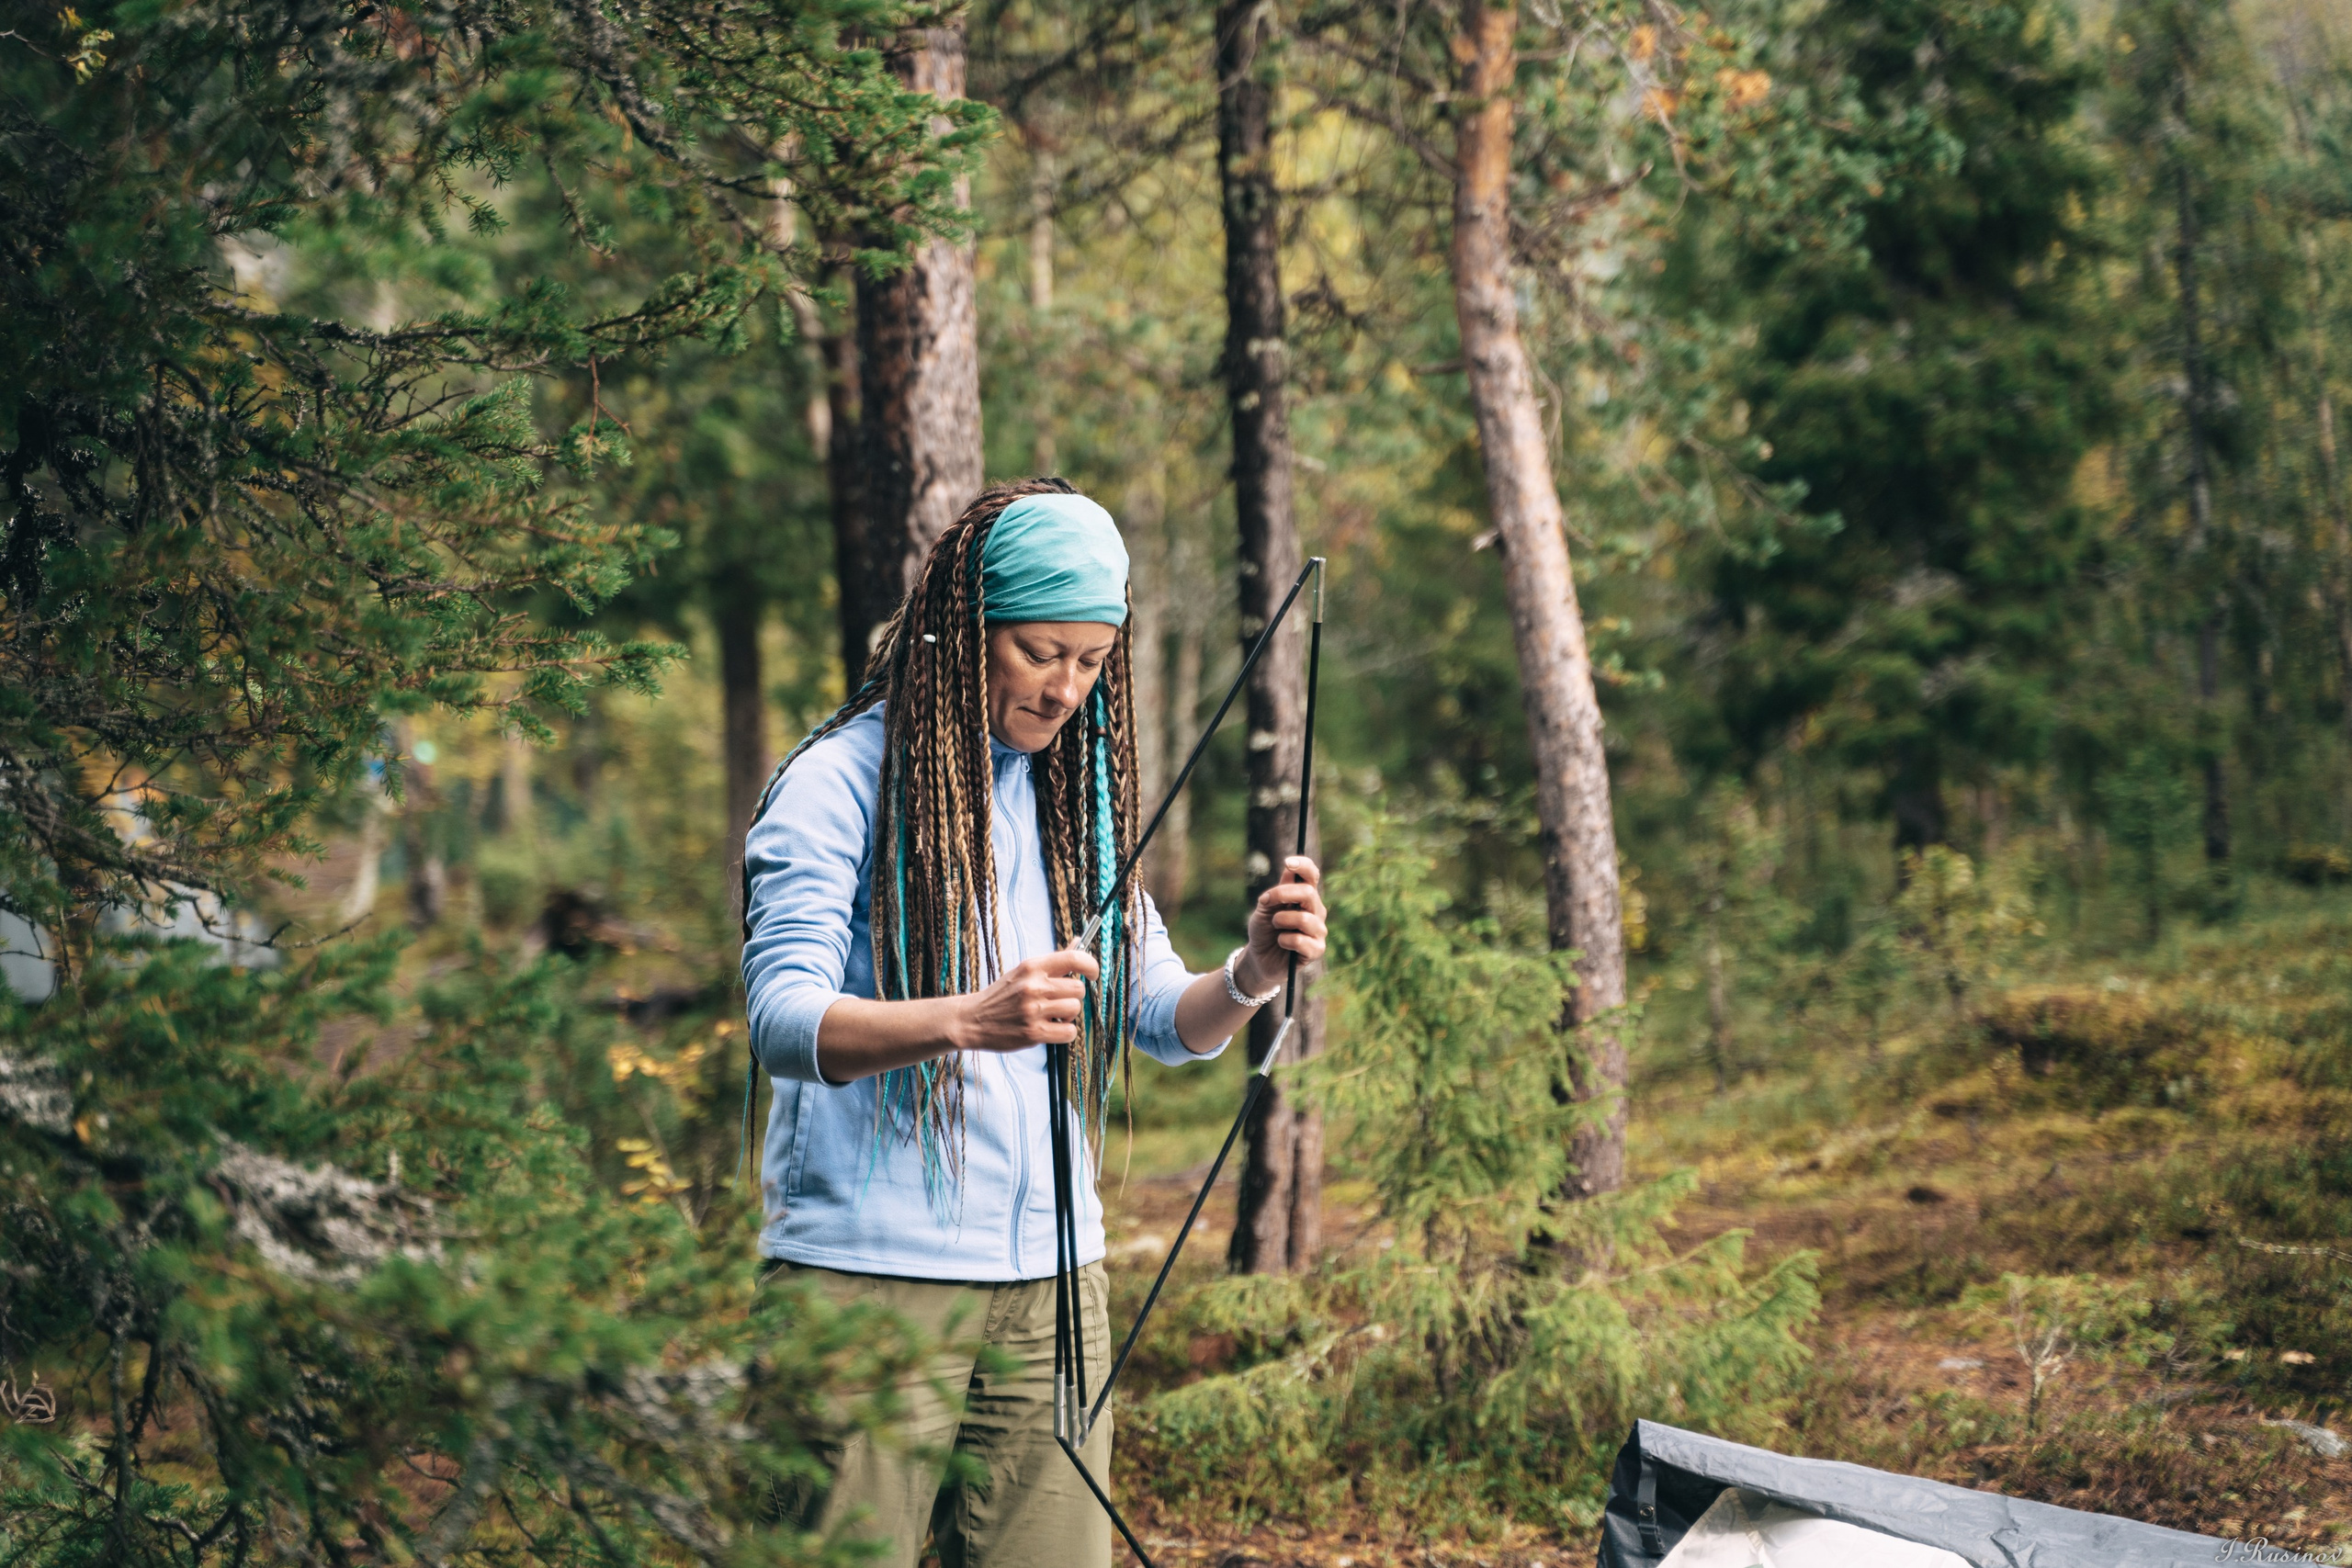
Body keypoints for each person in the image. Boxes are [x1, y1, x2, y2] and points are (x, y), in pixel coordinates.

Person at [741, 477, 1329, 1567]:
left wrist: (1249, 969)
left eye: (1094, 661)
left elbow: (1159, 1015)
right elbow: (782, 1020)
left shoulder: (1071, 807)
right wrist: (968, 1018)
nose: (1067, 690)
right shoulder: (838, 783)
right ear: (963, 631)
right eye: (1041, 652)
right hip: (867, 1287)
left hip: (1051, 1290)